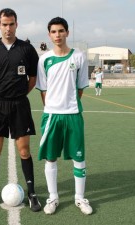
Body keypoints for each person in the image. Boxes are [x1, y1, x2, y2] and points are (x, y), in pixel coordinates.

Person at [0, 8, 41, 212]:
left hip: (20, 104)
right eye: (4, 24)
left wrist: (19, 93)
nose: (8, 28)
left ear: (16, 24)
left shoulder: (27, 49)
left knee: (24, 151)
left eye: (11, 24)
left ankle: (32, 194)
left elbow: (32, 79)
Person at [36, 17, 93, 215]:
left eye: (61, 31)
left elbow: (80, 88)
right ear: (49, 35)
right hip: (52, 115)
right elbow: (43, 90)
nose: (57, 35)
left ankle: (79, 198)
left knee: (79, 157)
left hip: (73, 115)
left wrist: (69, 105)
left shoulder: (79, 56)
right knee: (50, 158)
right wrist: (53, 106)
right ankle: (53, 197)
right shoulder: (44, 59)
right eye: (53, 31)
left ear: (67, 32)